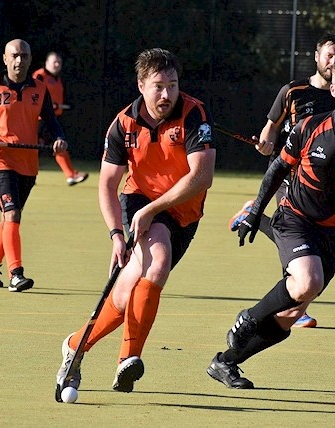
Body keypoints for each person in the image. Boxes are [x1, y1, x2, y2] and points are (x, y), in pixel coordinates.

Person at [207, 57, 335, 390]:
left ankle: (225, 362)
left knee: (291, 315)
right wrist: (256, 212)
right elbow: (276, 171)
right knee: (307, 281)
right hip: (294, 215)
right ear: (334, 89)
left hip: (334, 234)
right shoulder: (309, 127)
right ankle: (249, 319)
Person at [55, 48, 216, 394]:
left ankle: (74, 345)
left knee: (127, 292)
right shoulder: (122, 125)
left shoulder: (193, 114)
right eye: (158, 86)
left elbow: (201, 177)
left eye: (172, 85)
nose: (166, 94)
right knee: (157, 264)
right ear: (141, 85)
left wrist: (155, 208)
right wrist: (116, 233)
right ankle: (129, 358)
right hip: (139, 200)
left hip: (184, 211)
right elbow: (108, 184)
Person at [229, 33, 335, 328]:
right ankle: (297, 305)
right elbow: (270, 128)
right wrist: (266, 144)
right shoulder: (293, 91)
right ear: (317, 56)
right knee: (299, 241)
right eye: (329, 55)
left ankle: (253, 215)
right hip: (288, 176)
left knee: (310, 244)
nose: (333, 62)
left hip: (320, 184)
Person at [0, 38, 69, 292]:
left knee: (9, 218)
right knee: (12, 213)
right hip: (0, 158)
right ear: (5, 59)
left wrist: (59, 138)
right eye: (14, 55)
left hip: (28, 162)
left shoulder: (39, 89)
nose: (19, 60)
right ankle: (16, 273)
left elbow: (51, 121)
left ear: (29, 59)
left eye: (24, 56)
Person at [32, 51, 89, 186]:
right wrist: (46, 105)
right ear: (46, 63)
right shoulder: (40, 75)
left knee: (57, 146)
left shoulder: (57, 79)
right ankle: (26, 174)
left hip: (53, 119)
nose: (57, 64)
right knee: (39, 147)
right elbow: (33, 93)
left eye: (59, 62)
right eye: (54, 62)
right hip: (41, 119)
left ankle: (71, 175)